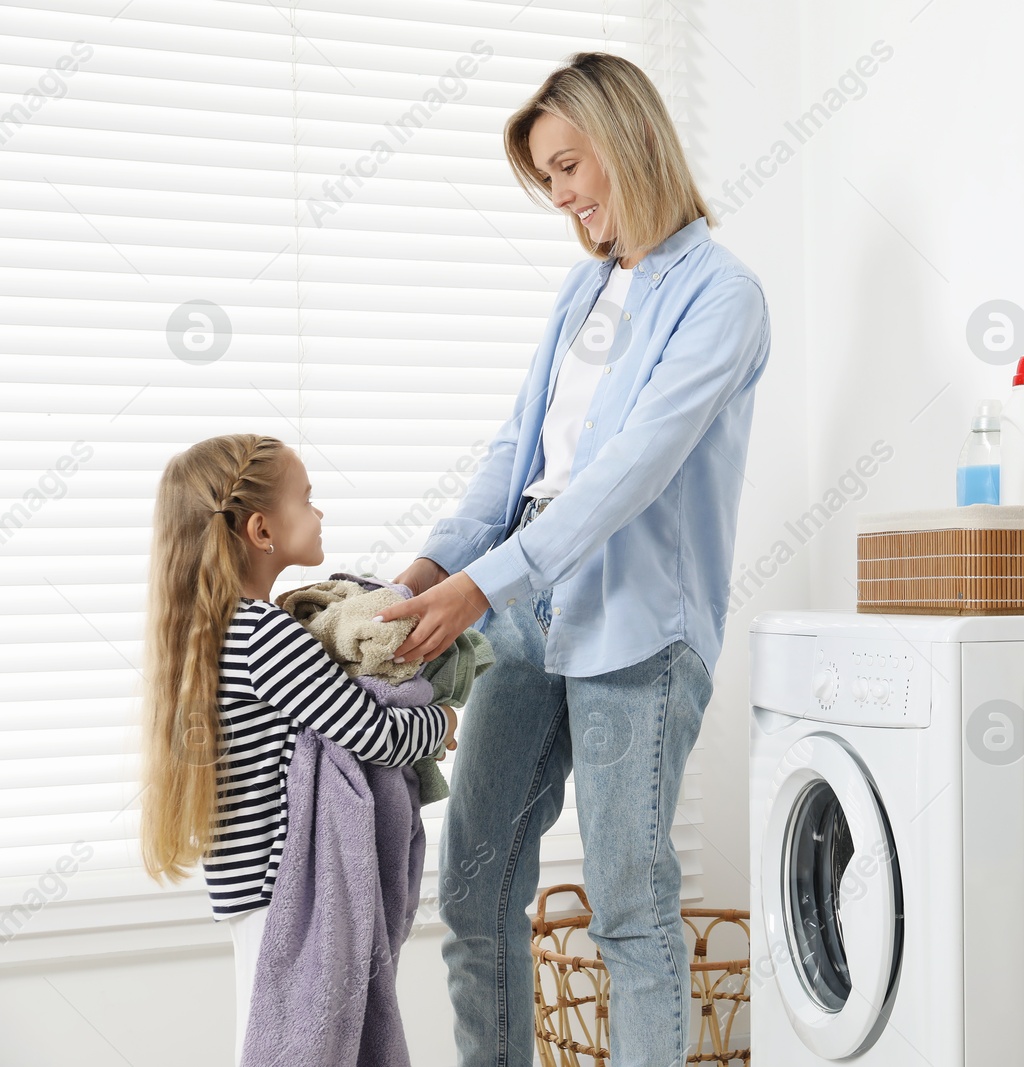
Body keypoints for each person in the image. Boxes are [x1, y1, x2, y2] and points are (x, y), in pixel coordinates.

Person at [372, 51, 771, 1067]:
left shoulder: (722, 296)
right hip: (527, 613)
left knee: (629, 906)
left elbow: (628, 471)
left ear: (626, 140)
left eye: (566, 168)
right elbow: (521, 457)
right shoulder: (584, 289)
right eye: (547, 179)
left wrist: (480, 584)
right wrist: (425, 574)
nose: (560, 199)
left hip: (638, 631)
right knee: (472, 887)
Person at [136, 433, 458, 1066]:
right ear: (262, 529)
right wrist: (438, 720)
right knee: (283, 1047)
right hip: (285, 889)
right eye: (307, 499)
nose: (319, 513)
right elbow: (371, 732)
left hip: (246, 886)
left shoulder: (219, 627)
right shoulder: (267, 638)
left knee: (266, 1039)